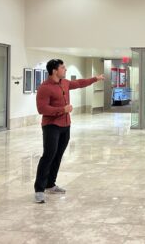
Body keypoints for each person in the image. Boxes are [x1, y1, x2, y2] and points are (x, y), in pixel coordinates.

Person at [34, 59, 105, 203]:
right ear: (54, 70)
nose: (65, 70)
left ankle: (50, 184)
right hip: (51, 126)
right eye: (63, 68)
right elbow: (41, 109)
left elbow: (79, 83)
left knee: (58, 155)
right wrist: (62, 110)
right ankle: (39, 189)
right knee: (48, 156)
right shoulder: (45, 87)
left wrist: (95, 79)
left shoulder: (65, 83)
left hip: (65, 126)